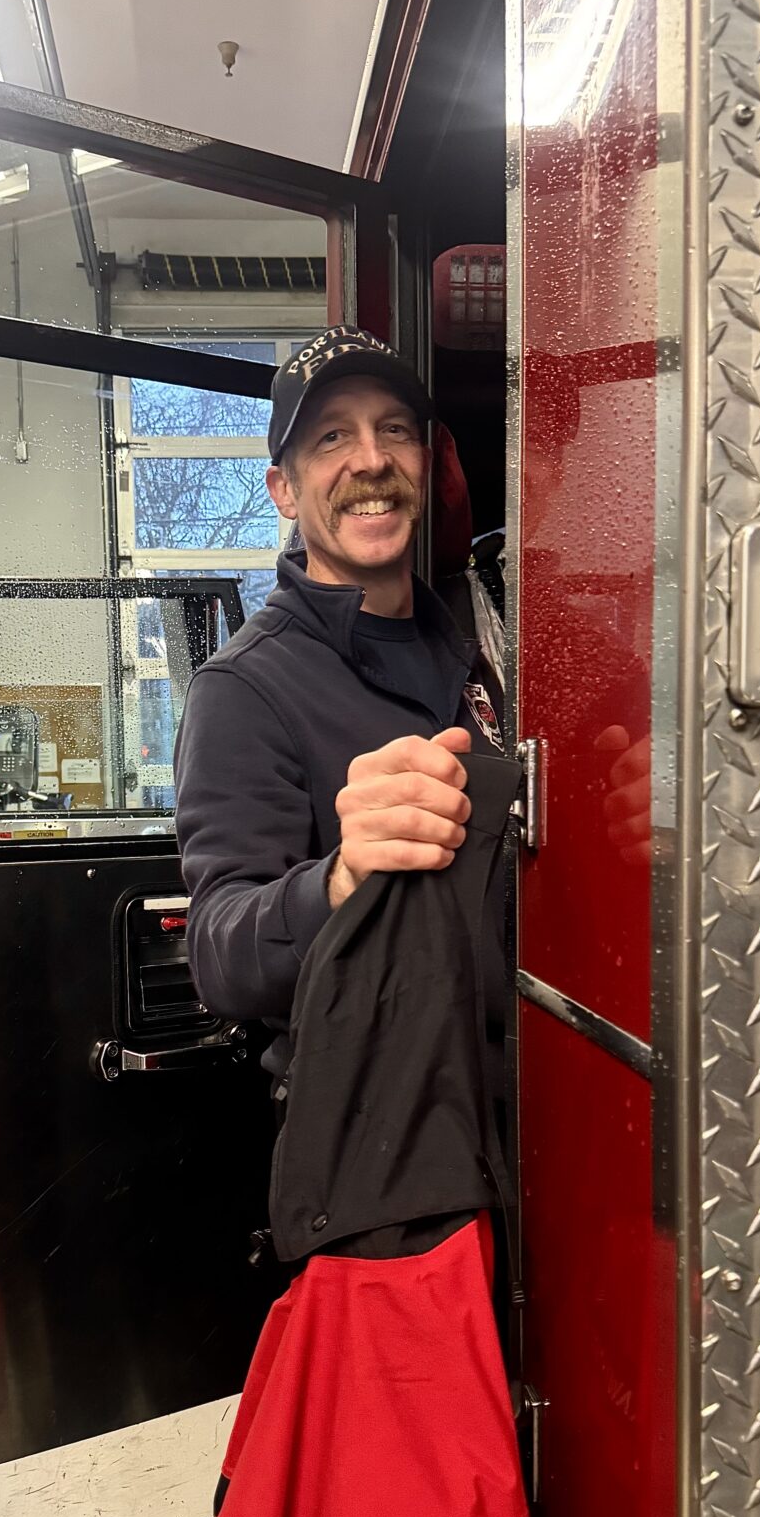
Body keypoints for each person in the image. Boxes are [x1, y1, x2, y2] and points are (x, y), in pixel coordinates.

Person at [173, 325, 504, 1081]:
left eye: (393, 429)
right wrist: (344, 877)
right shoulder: (244, 688)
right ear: (283, 489)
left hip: (519, 1110)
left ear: (423, 462)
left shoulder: (479, 651)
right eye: (331, 438)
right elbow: (221, 956)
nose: (371, 459)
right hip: (378, 1141)